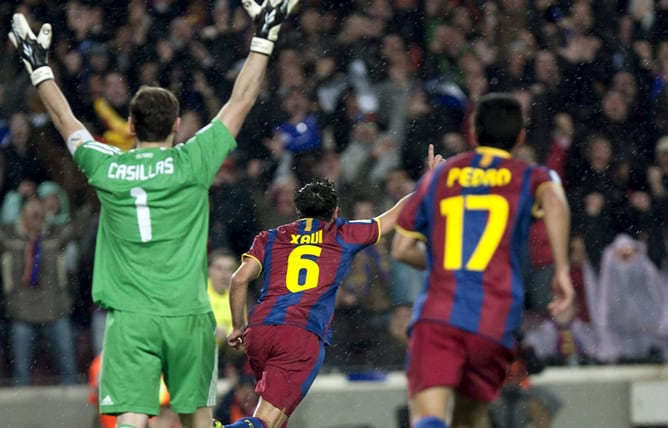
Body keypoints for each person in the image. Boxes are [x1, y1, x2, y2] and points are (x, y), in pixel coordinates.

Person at [8, 1, 296, 427]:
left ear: (130, 125)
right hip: (188, 315)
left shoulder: (105, 166)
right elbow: (241, 99)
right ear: (177, 125)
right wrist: (264, 37)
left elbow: (64, 118)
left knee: (131, 419)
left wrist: (38, 68)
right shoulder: (193, 162)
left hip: (131, 318)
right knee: (199, 420)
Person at [224, 146, 442, 428]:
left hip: (261, 331)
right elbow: (395, 215)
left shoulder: (271, 236)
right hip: (299, 335)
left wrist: (238, 326)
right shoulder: (342, 233)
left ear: (297, 211)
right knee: (266, 420)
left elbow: (239, 279)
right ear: (336, 211)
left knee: (273, 420)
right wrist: (431, 181)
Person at [391, 92, 574, 428]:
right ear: (520, 137)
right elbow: (555, 196)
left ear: (473, 132)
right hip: (492, 320)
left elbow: (401, 249)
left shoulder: (441, 177)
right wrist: (562, 270)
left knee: (428, 415)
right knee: (470, 418)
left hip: (439, 314)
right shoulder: (528, 176)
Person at [0, 197, 78, 386]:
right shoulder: (9, 235)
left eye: (39, 212)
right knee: (21, 372)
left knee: (68, 366)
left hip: (55, 310)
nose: (36, 215)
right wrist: (12, 201)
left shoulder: (54, 233)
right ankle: (20, 413)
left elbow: (75, 228)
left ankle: (74, 410)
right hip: (22, 313)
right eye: (31, 212)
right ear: (21, 214)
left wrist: (58, 212)